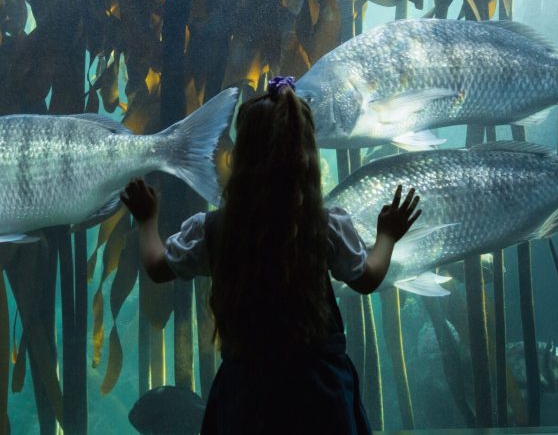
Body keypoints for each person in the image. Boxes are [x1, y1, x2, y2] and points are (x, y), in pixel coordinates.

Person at [120, 75, 422, 433]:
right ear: (308, 156)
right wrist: (387, 236)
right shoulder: (324, 226)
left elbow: (157, 267)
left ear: (239, 156)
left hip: (246, 393)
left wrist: (147, 221)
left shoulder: (214, 229)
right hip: (319, 392)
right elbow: (367, 278)